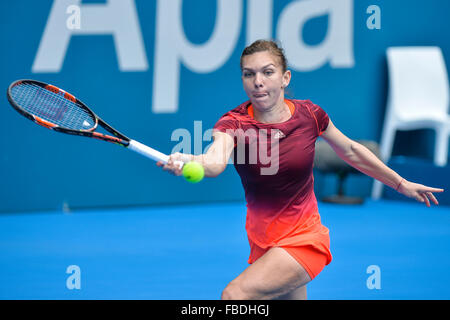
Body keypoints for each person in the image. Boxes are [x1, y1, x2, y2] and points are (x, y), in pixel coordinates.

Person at [156, 39, 444, 300]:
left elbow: (352, 150)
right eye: (249, 74)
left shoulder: (310, 115)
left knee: (235, 296)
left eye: (267, 72)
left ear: (285, 78)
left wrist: (400, 183)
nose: (258, 81)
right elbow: (215, 162)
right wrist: (191, 161)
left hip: (304, 239)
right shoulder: (233, 124)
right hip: (264, 242)